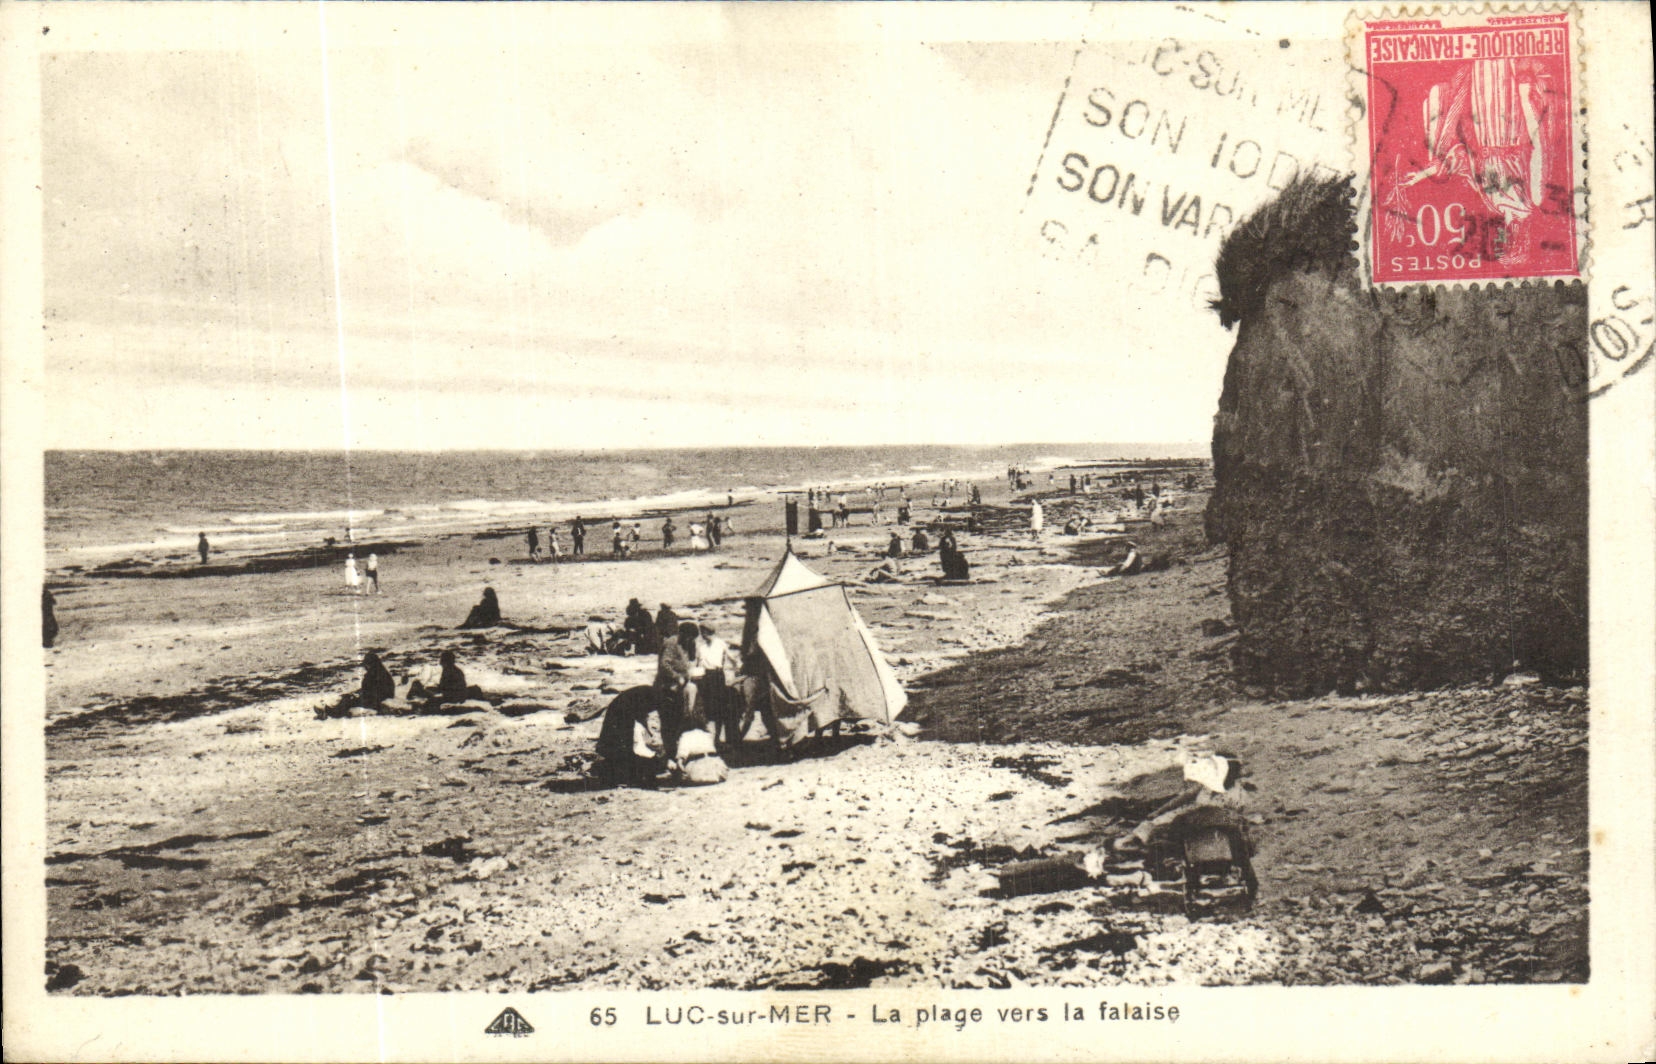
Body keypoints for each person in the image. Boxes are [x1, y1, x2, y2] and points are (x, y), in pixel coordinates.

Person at [1109, 753, 1248, 855]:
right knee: (1154, 824)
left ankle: (1140, 846)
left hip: (1205, 826)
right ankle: (1133, 842)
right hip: (1188, 818)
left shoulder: (1237, 794)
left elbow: (1234, 820)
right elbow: (1182, 798)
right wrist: (1160, 810)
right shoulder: (1206, 786)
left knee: (1163, 831)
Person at [654, 621, 702, 760]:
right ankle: (670, 753)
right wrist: (677, 677)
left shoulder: (689, 643)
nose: (691, 641)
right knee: (669, 721)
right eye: (689, 638)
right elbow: (664, 664)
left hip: (682, 687)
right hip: (667, 688)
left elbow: (691, 659)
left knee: (683, 718)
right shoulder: (671, 643)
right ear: (682, 634)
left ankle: (679, 751)